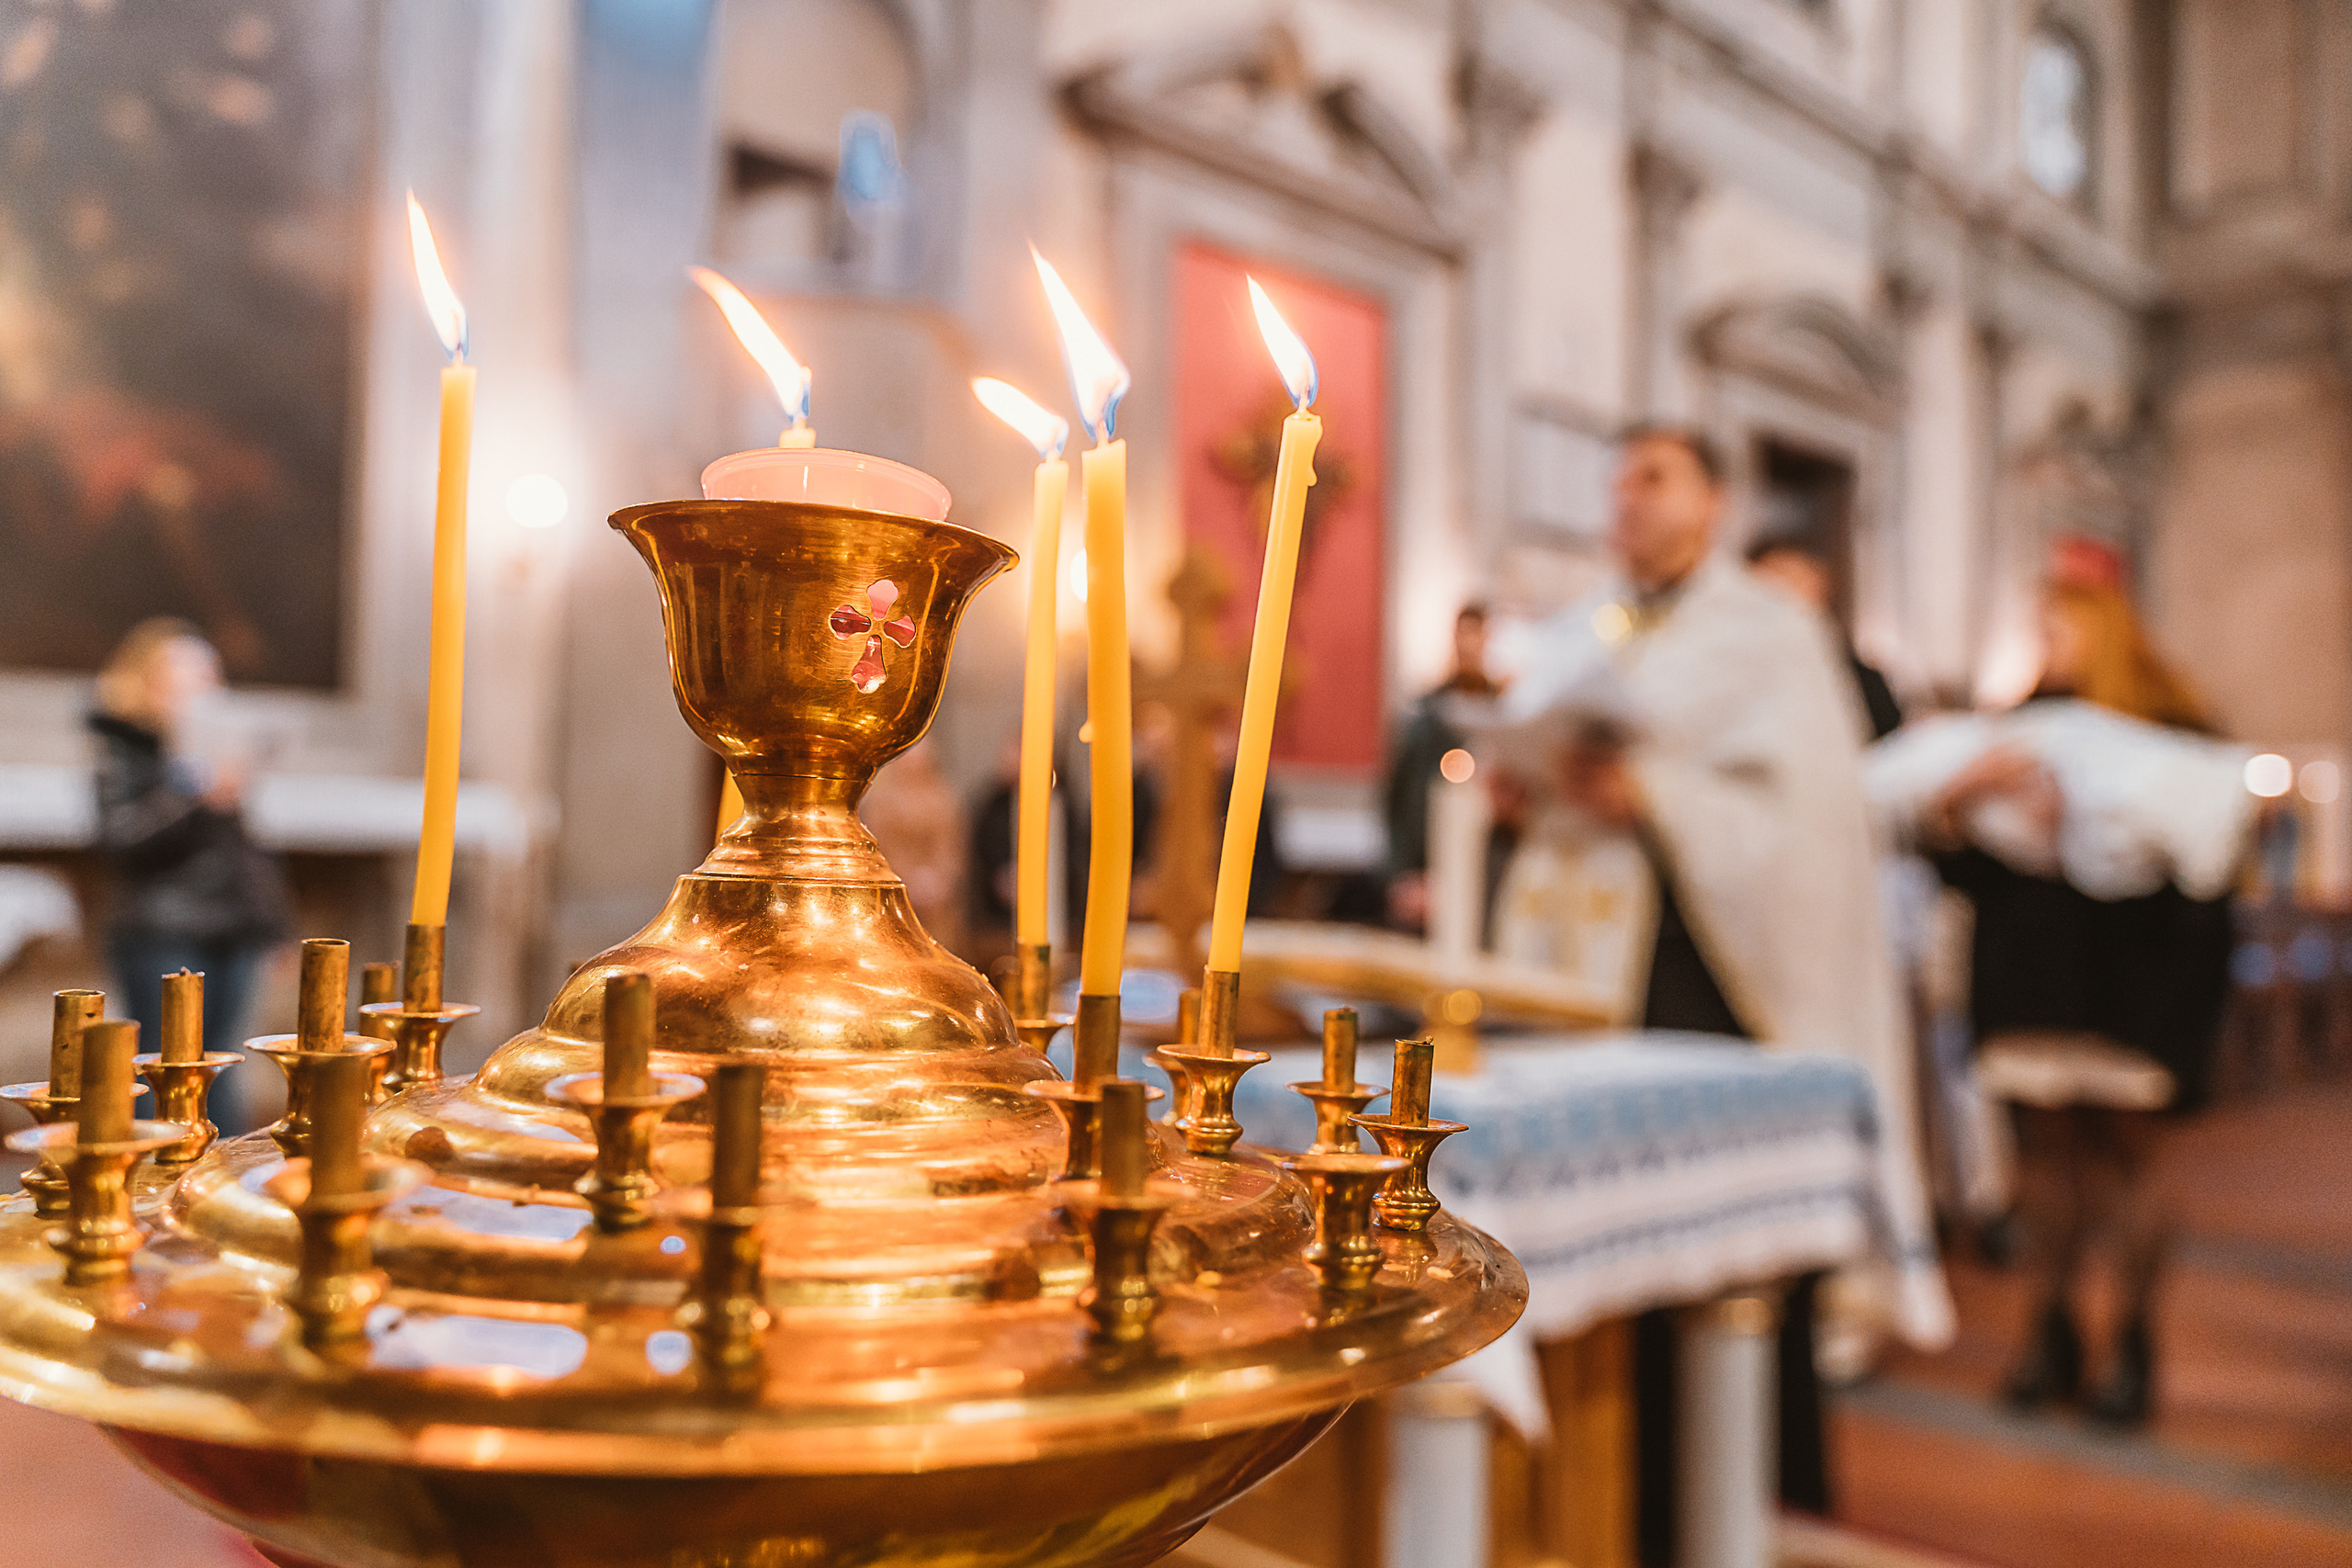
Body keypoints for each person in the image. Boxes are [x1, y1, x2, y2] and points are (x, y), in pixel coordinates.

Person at [1496, 426, 1950, 1564]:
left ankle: (1735, 1506)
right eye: (1616, 481)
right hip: (1586, 981)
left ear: (1714, 502)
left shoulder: (1769, 634)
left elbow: (1807, 831)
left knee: (1725, 1280)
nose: (1625, 500)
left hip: (1712, 986)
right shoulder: (1580, 633)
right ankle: (1600, 1513)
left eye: (1653, 478)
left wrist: (1650, 794)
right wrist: (1531, 790)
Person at [1916, 553, 2235, 1427]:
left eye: (2059, 625)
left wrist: (2095, 825)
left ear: (2106, 628)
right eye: (2039, 629)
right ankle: (2047, 1328)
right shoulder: (2014, 732)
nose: (2045, 643)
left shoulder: (2176, 726)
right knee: (2045, 1160)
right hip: (2031, 977)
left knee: (2129, 1161)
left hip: (2137, 983)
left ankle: (2133, 1341)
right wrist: (1958, 807)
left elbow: (2209, 867)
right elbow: (1963, 873)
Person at [88, 618, 289, 1101]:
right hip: (163, 932)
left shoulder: (215, 755)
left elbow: (242, 855)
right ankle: (153, 1176)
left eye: (207, 680)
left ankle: (216, 1171)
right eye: (183, 681)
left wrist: (273, 926)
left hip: (231, 930)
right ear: (146, 685)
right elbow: (124, 839)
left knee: (221, 1067)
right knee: (164, 1069)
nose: (198, 693)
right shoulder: (127, 750)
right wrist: (194, 795)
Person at [1381, 603, 1505, 931]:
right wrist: (1402, 875)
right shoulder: (1425, 717)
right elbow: (1398, 799)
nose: (1468, 645)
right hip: (1425, 878)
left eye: (1477, 635)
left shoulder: (1508, 715)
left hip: (1489, 879)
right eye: (1462, 634)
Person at [1747, 535, 1904, 740]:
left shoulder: (1854, 673)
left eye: (1797, 580)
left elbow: (1886, 735)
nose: (1784, 593)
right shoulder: (1736, 666)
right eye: (1772, 580)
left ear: (1822, 586)